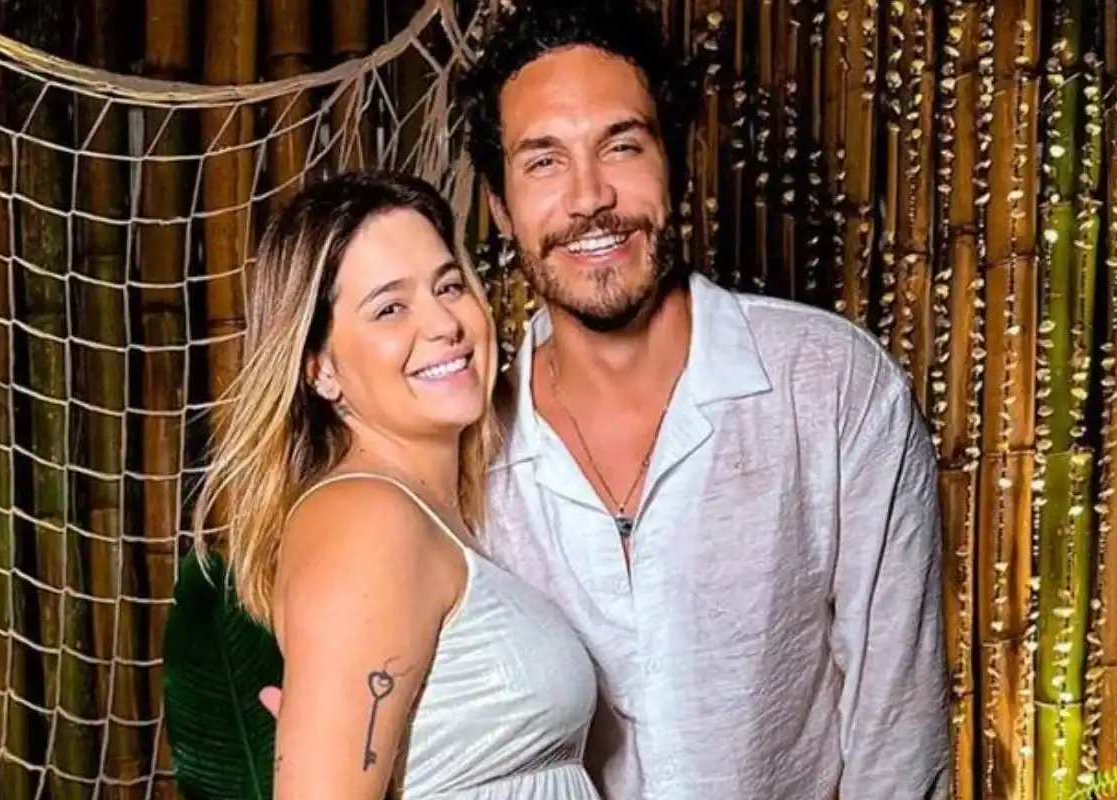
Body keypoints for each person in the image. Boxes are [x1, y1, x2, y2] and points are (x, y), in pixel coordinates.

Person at [262, 1, 950, 797]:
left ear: (675, 163)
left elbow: (899, 741)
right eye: (543, 162)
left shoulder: (831, 387)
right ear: (499, 205)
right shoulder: (468, 456)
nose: (589, 197)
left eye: (620, 145)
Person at [191, 171, 604, 799]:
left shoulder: (431, 513)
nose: (444, 324)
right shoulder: (365, 521)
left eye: (448, 286)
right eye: (390, 307)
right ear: (320, 369)